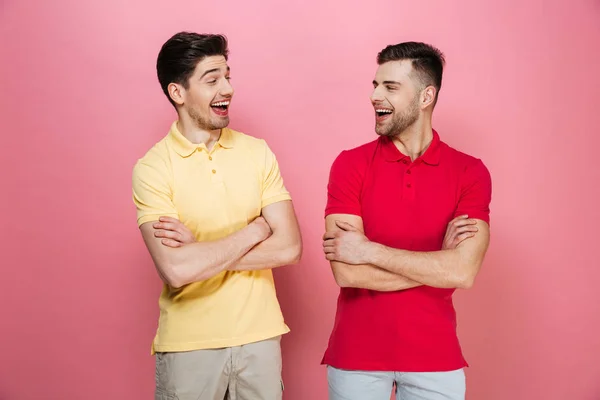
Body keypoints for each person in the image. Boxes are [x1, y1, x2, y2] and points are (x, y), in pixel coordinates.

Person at [132, 32, 302, 400]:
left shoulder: (257, 152)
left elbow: (289, 248)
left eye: (227, 76)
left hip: (260, 338)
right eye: (212, 80)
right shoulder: (153, 168)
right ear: (178, 93)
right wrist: (256, 228)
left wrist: (203, 253)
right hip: (188, 344)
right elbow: (177, 270)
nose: (228, 88)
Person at [321, 41, 492, 400]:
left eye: (390, 87)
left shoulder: (470, 172)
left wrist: (368, 250)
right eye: (375, 85)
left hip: (436, 356)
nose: (374, 96)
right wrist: (436, 265)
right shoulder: (349, 165)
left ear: (426, 96)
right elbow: (347, 273)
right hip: (356, 355)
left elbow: (463, 272)